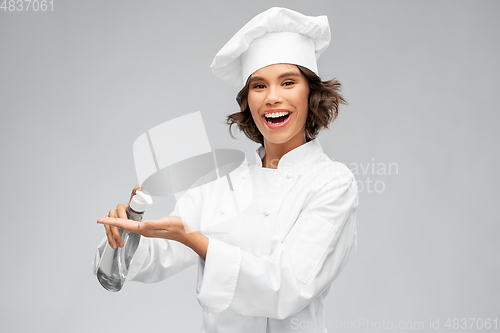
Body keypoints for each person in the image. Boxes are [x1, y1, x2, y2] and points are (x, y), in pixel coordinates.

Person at [94, 7, 359, 333]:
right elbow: (153, 258)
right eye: (259, 86)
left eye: (288, 82)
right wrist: (128, 234)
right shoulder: (223, 181)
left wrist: (194, 239)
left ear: (311, 93)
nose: (272, 97)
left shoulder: (332, 183)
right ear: (247, 100)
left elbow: (288, 288)